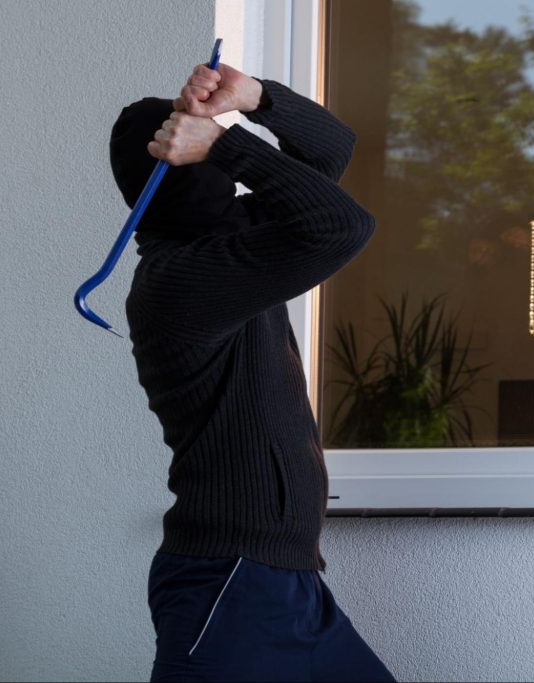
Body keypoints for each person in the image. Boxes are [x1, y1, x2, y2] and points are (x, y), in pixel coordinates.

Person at [110, 60, 397, 682]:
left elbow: (332, 153)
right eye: (199, 142)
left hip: (287, 582)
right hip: (229, 582)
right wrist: (228, 141)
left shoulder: (233, 241)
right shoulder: (179, 282)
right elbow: (344, 226)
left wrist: (254, 99)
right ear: (175, 166)